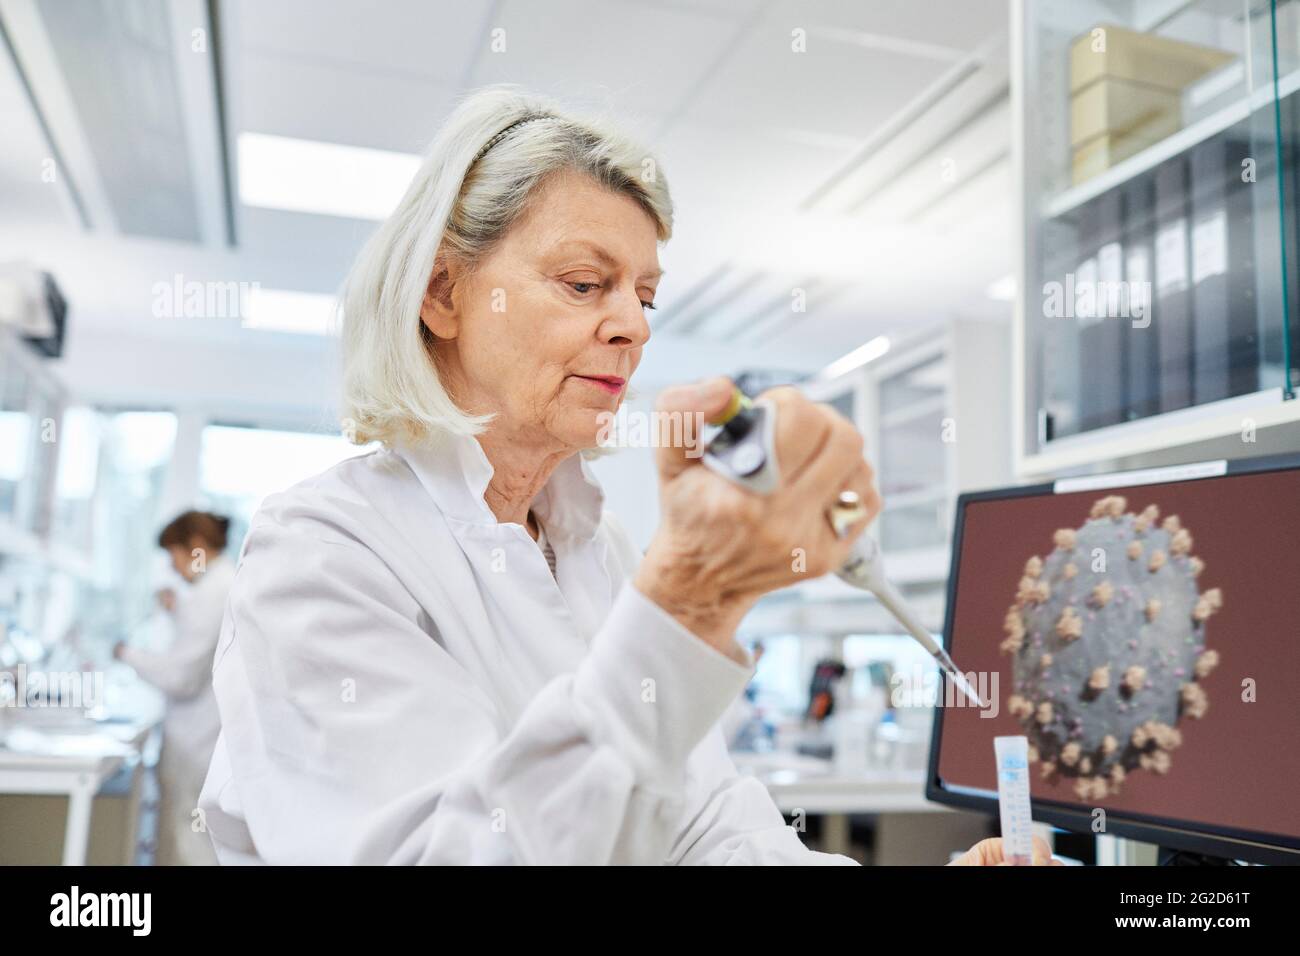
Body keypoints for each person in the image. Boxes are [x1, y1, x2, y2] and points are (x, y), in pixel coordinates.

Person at [197, 84, 1060, 866]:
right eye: (584, 283)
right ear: (444, 295)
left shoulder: (593, 550)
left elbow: (709, 832)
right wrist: (690, 602)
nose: (633, 328)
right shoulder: (323, 556)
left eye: (644, 296)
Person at [116, 510, 234, 865]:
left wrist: (127, 654)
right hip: (199, 741)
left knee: (191, 842)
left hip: (197, 742)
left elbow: (181, 677)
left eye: (174, 556)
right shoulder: (215, 588)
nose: (173, 568)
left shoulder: (217, 589)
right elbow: (201, 646)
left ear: (195, 546)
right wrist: (178, 609)